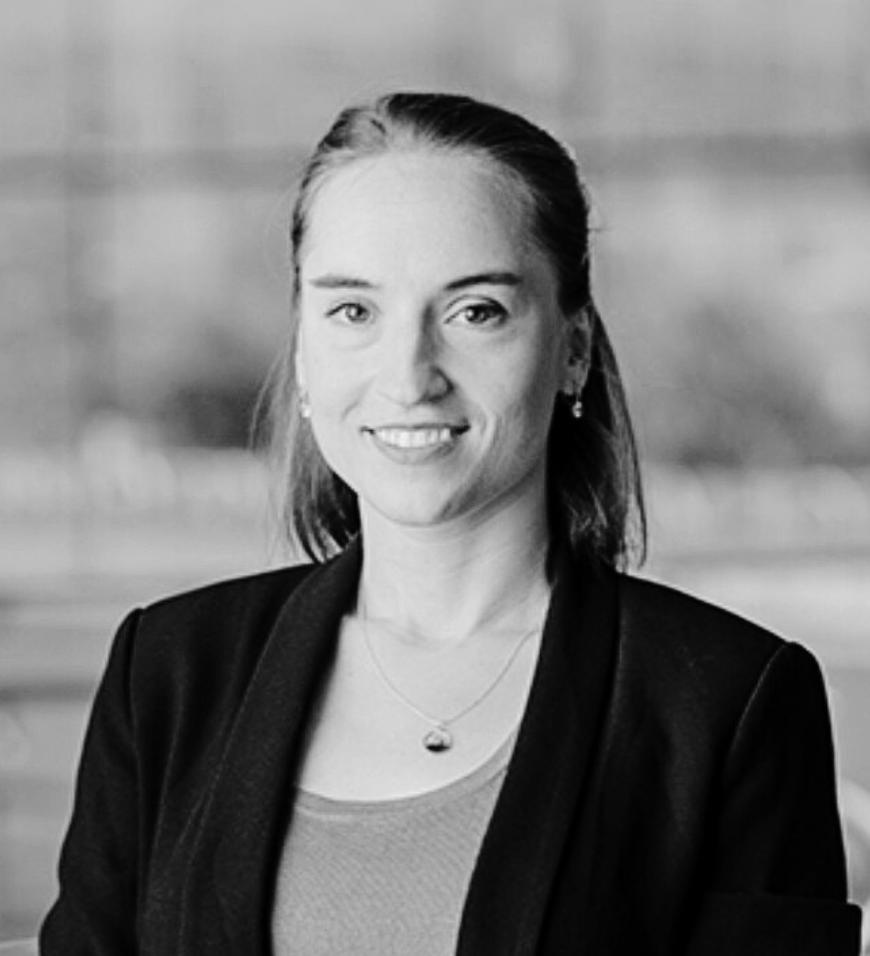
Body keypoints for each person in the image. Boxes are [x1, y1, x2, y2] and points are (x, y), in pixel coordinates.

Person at [40, 92, 860, 955]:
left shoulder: (727, 703)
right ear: (306, 350)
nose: (409, 375)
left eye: (475, 311)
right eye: (354, 311)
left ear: (572, 348)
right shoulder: (166, 673)